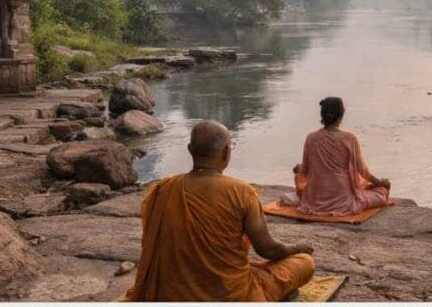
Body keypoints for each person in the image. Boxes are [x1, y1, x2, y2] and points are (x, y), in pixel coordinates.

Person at [126, 121, 315, 301]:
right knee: (304, 263)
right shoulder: (241, 192)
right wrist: (296, 248)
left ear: (190, 150)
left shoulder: (165, 188)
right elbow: (268, 249)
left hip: (172, 292)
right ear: (226, 152)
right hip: (230, 294)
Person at [286, 97, 391, 215]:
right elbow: (363, 171)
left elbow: (305, 170)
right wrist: (381, 183)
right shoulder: (349, 139)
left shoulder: (311, 138)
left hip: (315, 199)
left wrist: (298, 168)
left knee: (302, 181)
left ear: (323, 115)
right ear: (341, 115)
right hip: (342, 198)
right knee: (381, 192)